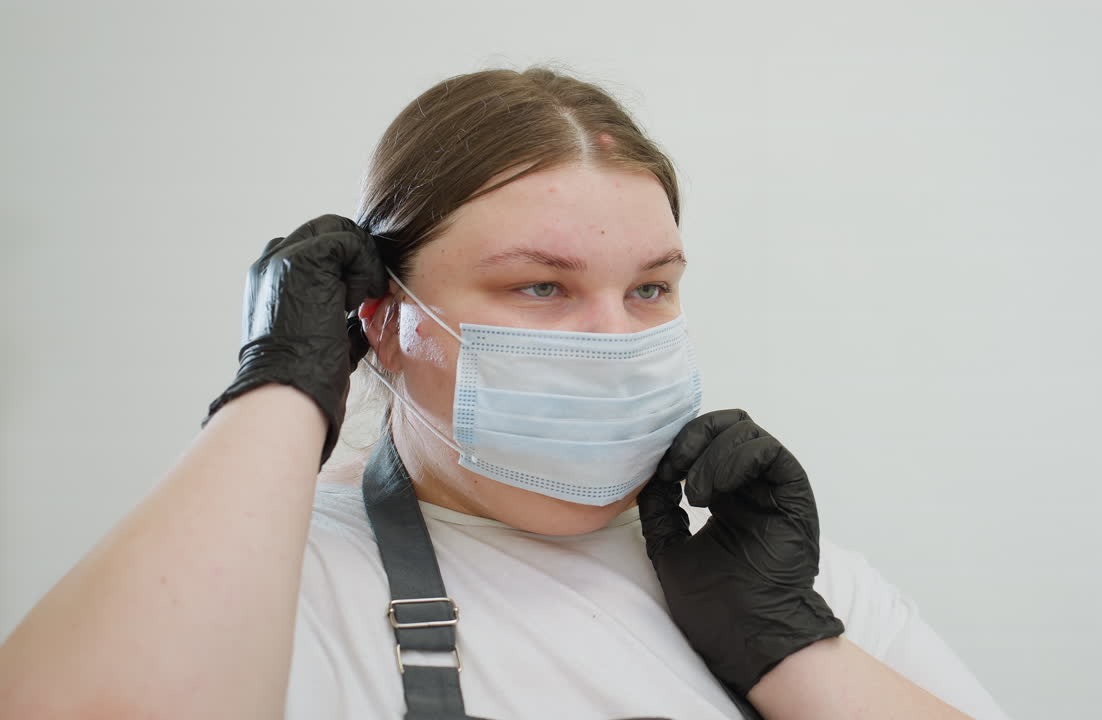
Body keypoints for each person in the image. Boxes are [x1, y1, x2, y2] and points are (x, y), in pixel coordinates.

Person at [0, 67, 1013, 720]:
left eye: (650, 288)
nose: (616, 339)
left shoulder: (788, 580)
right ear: (382, 322)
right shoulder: (274, 588)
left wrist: (791, 652)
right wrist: (280, 388)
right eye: (542, 286)